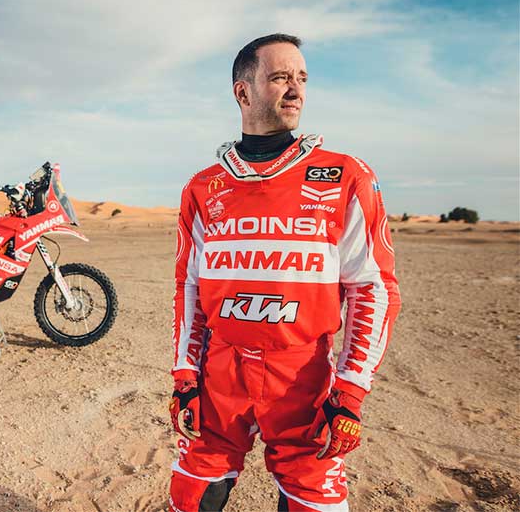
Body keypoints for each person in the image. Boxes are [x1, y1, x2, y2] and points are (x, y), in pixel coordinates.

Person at [168, 33, 401, 512]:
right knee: (190, 497)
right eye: (280, 78)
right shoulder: (203, 186)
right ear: (243, 92)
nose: (296, 90)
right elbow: (190, 288)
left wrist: (350, 392)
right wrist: (185, 376)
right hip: (220, 372)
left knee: (312, 500)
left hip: (303, 377)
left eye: (302, 78)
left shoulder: (345, 176)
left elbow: (372, 289)